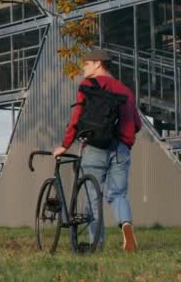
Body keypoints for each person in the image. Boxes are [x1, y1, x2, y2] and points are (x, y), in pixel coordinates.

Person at [52, 49, 142, 252]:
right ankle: (126, 225)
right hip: (121, 149)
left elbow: (77, 118)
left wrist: (65, 145)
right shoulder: (125, 90)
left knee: (93, 195)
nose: (83, 67)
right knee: (118, 194)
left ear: (97, 63)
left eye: (86, 63)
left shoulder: (89, 85)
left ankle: (96, 245)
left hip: (95, 147)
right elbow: (136, 124)